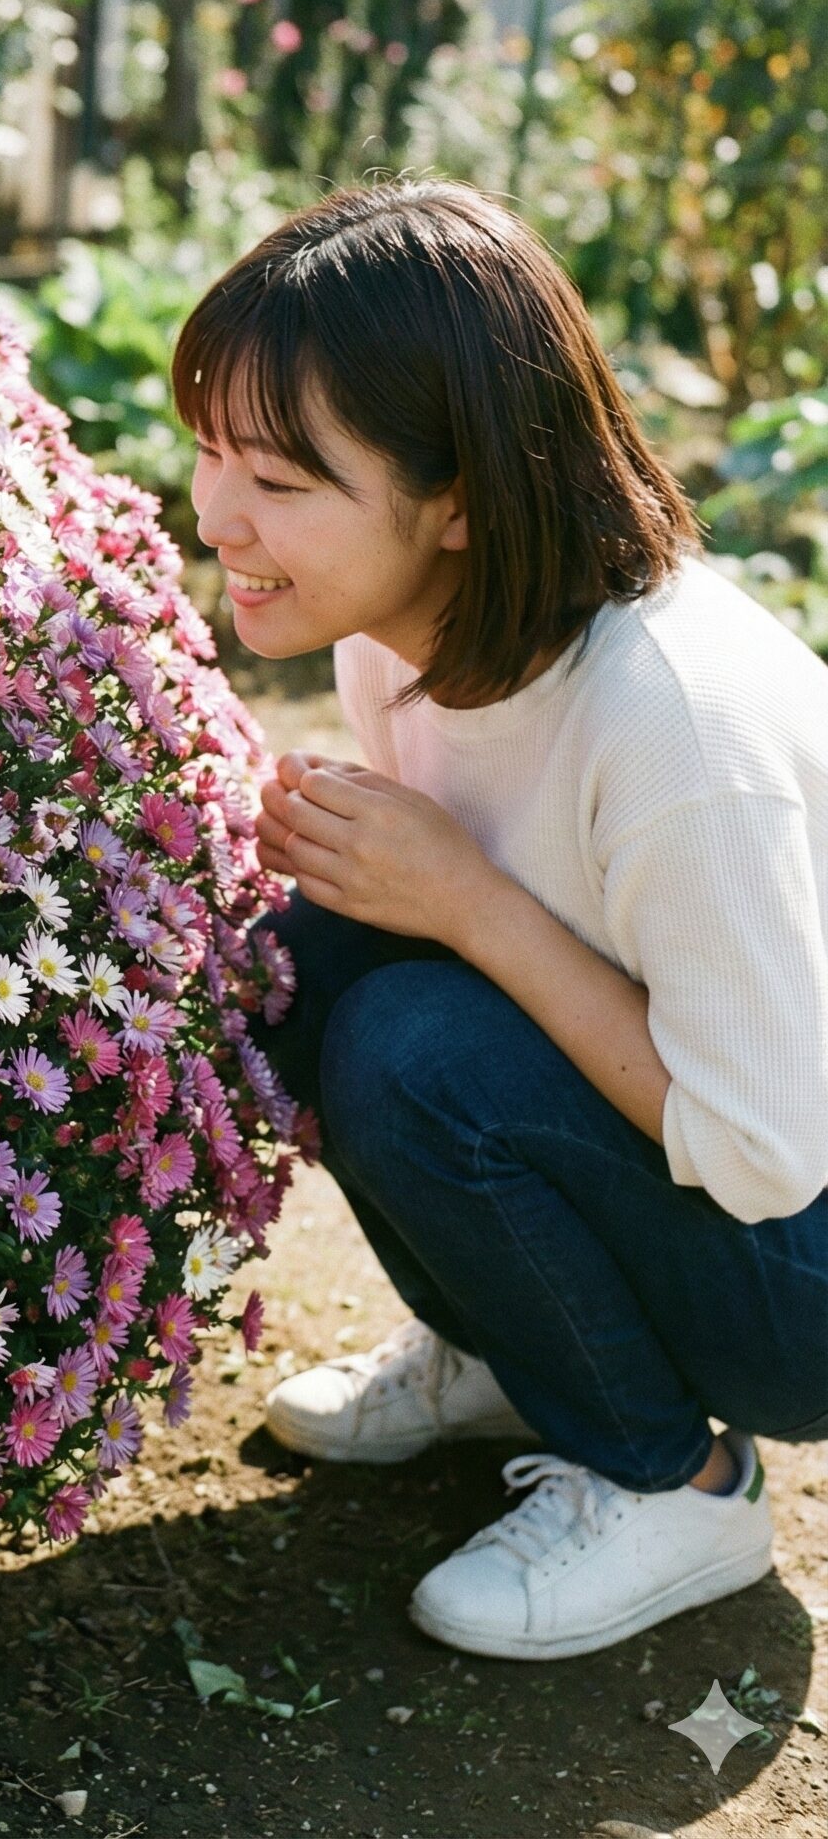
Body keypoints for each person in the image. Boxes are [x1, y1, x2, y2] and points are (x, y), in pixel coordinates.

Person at [176, 177, 828, 1662]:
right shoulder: (402, 645)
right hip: (730, 1188)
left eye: (279, 481)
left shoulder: (677, 727)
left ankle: (679, 1482)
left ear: (460, 493)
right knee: (308, 957)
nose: (217, 511)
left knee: (414, 1041)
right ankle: (510, 1355)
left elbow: (762, 1148)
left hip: (809, 1268)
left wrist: (465, 905)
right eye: (210, 450)